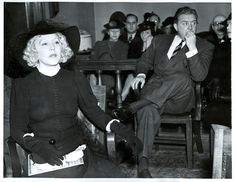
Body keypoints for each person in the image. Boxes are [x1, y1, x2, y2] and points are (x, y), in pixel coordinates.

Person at [9, 21, 142, 178]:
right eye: (44, 43)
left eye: (56, 42)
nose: (52, 47)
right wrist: (39, 147)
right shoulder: (22, 85)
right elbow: (17, 129)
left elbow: (95, 113)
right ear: (34, 51)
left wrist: (124, 130)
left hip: (76, 153)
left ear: (62, 47)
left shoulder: (75, 78)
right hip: (42, 156)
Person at [113, 6, 214, 178]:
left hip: (180, 98)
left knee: (181, 78)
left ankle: (133, 107)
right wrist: (141, 74)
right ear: (175, 26)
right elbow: (143, 62)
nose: (189, 27)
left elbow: (199, 76)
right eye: (184, 23)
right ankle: (143, 165)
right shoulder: (160, 40)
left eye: (193, 23)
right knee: (147, 111)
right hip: (155, 93)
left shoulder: (205, 46)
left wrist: (192, 48)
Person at [204, 13, 231, 128]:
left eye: (229, 24)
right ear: (213, 27)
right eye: (216, 24)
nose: (224, 27)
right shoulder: (210, 43)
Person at [90, 19, 128, 94]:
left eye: (117, 31)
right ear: (108, 32)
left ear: (120, 32)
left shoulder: (124, 46)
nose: (114, 33)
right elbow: (92, 60)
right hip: (98, 72)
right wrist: (92, 74)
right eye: (112, 31)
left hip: (114, 73)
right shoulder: (99, 44)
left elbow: (122, 62)